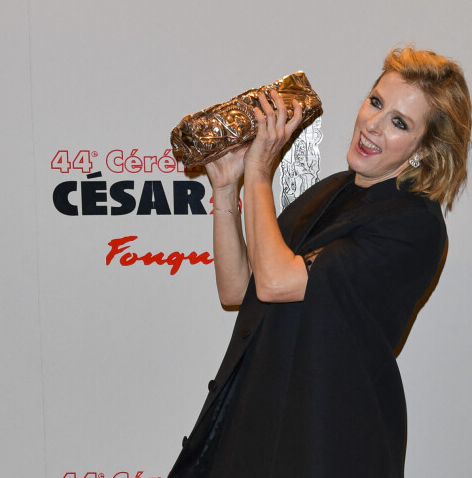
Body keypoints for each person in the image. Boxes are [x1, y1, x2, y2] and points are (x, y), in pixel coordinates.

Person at [169, 46, 471, 478]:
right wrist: (224, 190)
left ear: (424, 150)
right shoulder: (333, 190)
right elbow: (239, 288)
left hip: (324, 442)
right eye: (376, 102)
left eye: (399, 123)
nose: (372, 125)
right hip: (256, 422)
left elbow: (275, 282)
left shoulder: (413, 224)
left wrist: (258, 173)